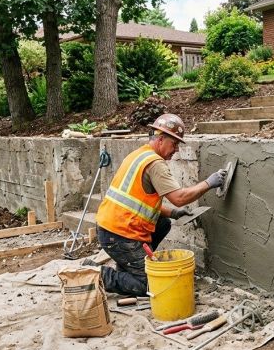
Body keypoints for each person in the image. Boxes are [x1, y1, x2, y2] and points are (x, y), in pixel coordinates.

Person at [89, 114, 227, 296]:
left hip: (112, 228)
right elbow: (179, 197)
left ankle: (130, 267)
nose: (176, 150)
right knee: (151, 284)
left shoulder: (138, 155)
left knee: (164, 223)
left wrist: (173, 213)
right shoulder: (155, 164)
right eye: (174, 144)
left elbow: (138, 202)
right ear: (161, 139)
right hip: (120, 235)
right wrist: (209, 182)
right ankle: (97, 275)